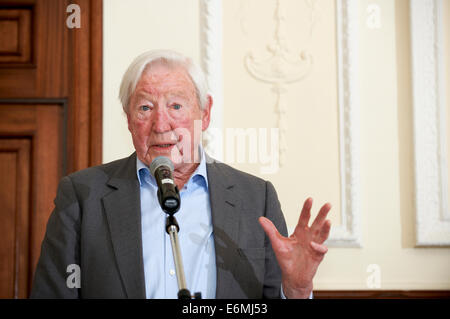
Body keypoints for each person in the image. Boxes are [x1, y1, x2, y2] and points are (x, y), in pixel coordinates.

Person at [30, 50, 332, 299]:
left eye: (176, 105)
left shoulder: (256, 198)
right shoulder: (83, 195)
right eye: (145, 108)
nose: (161, 125)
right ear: (128, 119)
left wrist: (296, 289)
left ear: (205, 112)